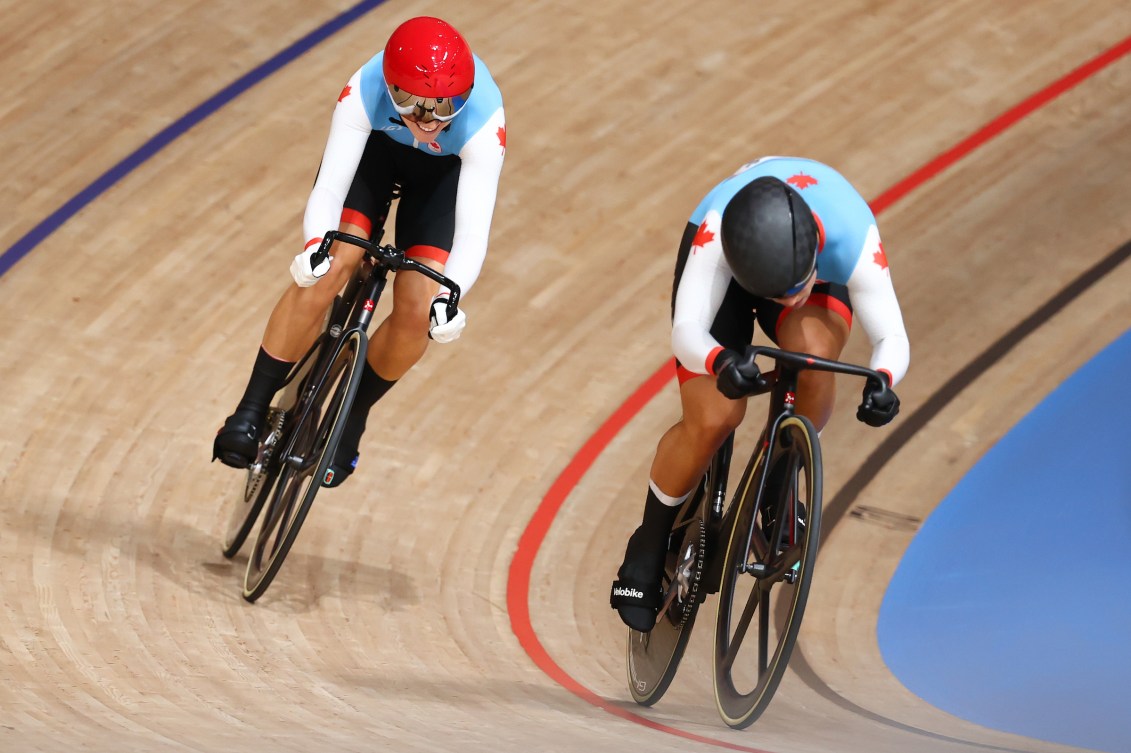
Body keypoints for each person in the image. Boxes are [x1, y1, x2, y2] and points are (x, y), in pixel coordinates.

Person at [609, 156, 910, 632]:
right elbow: (688, 331)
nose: (789, 300)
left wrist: (884, 381)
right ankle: (648, 542)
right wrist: (720, 361)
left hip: (800, 260)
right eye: (778, 293)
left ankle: (777, 486)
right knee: (713, 418)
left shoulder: (853, 236)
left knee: (811, 356)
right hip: (731, 268)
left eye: (796, 289)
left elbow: (890, 335)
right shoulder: (714, 235)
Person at [212, 16, 506, 487]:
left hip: (440, 180)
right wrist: (315, 246)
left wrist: (451, 297)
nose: (428, 120)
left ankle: (352, 415)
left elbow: (473, 233)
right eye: (410, 103)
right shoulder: (364, 89)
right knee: (334, 266)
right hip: (375, 155)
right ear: (389, 87)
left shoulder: (484, 123)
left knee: (417, 310)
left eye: (445, 106)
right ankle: (250, 406)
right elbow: (330, 187)